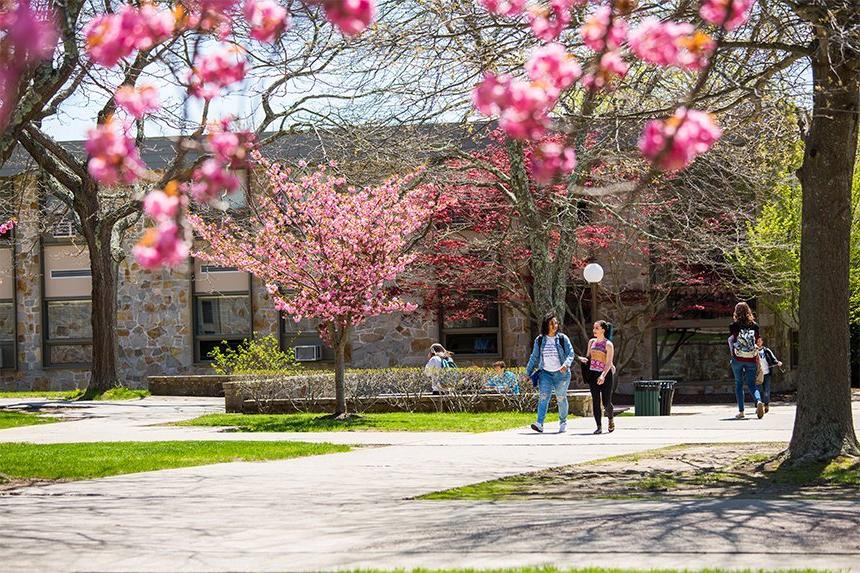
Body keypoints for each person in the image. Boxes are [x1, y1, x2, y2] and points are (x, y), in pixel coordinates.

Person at [525, 313, 575, 433]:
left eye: (556, 323)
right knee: (543, 397)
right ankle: (539, 423)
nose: (554, 326)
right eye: (552, 323)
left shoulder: (563, 338)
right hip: (545, 374)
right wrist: (528, 373)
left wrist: (566, 364)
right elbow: (534, 357)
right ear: (546, 325)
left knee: (561, 398)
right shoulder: (540, 339)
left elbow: (571, 353)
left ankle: (563, 422)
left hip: (561, 374)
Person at [729, 302, 765, 419]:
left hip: (738, 358)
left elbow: (733, 341)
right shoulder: (755, 326)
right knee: (751, 384)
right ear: (748, 311)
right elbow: (758, 342)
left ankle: (741, 411)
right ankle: (758, 401)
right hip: (751, 358)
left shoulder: (733, 326)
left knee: (739, 384)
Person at [579, 320, 615, 434]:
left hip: (605, 375)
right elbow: (589, 357)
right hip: (593, 374)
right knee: (595, 400)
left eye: (597, 328)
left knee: (606, 402)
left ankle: (610, 419)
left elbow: (609, 363)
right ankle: (599, 426)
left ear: (603, 330)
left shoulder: (608, 344)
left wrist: (603, 375)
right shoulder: (591, 342)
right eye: (594, 328)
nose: (594, 330)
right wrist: (583, 359)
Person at [756, 336, 782, 414]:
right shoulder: (753, 351)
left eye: (760, 341)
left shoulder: (766, 350)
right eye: (757, 341)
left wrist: (778, 362)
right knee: (759, 391)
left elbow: (773, 358)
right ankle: (759, 406)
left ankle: (766, 405)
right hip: (758, 374)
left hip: (767, 373)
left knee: (766, 391)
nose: (758, 343)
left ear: (762, 342)